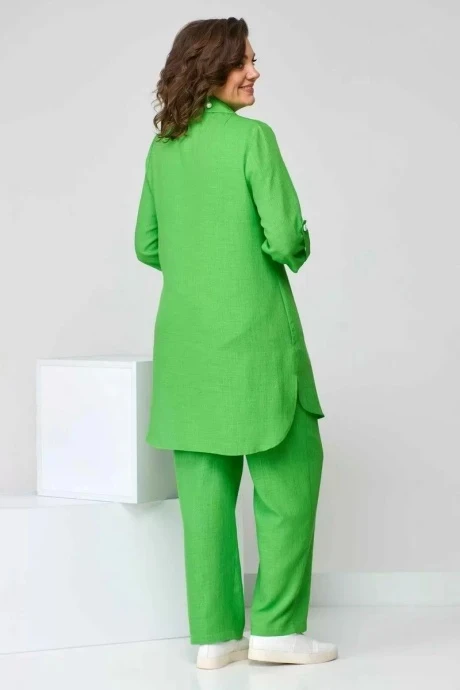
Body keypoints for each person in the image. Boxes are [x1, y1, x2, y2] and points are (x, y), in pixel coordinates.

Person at [134, 17, 338, 671]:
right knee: (290, 478)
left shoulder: (163, 149)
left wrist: (200, 265)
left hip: (187, 351)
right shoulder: (254, 139)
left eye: (253, 59)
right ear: (209, 69)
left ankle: (215, 637)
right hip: (256, 344)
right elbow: (285, 238)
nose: (254, 72)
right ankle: (276, 629)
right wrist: (294, 243)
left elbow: (147, 244)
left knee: (205, 500)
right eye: (242, 61)